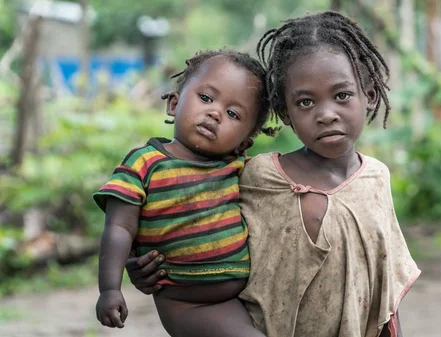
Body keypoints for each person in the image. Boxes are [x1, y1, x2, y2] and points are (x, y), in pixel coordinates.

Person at [125, 11, 421, 337]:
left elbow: (385, 288)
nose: (326, 114)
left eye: (342, 95)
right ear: (285, 112)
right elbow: (177, 208)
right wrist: (141, 262)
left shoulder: (376, 179)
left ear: (370, 96)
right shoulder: (259, 176)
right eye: (306, 102)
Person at [93, 50, 274, 337]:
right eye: (205, 98)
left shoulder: (237, 168)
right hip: (187, 303)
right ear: (174, 104)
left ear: (245, 142)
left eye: (233, 114)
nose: (215, 113)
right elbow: (119, 227)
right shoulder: (145, 164)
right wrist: (110, 289)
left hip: (244, 295)